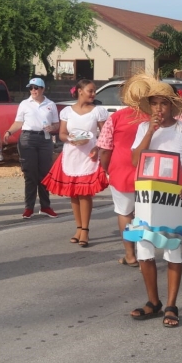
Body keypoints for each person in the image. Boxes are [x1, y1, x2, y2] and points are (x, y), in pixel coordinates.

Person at [129, 79, 182, 328]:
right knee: (145, 250)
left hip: (173, 196)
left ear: (172, 106)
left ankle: (171, 305)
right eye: (154, 104)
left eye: (163, 104)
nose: (159, 109)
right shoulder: (142, 129)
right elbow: (134, 160)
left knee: (172, 249)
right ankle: (153, 301)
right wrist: (150, 131)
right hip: (147, 195)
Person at [43, 80, 109, 247]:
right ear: (80, 91)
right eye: (90, 91)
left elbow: (105, 134)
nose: (93, 94)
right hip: (71, 154)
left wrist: (97, 147)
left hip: (89, 155)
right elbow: (62, 134)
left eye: (94, 91)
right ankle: (78, 228)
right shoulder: (67, 111)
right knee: (73, 192)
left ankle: (85, 230)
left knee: (84, 192)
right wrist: (71, 139)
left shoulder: (98, 111)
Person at [97, 75, 150, 267]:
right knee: (146, 215)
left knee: (125, 213)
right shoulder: (156, 117)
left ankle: (130, 254)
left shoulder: (116, 117)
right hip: (150, 172)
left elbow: (104, 148)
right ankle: (146, 254)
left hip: (121, 170)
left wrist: (106, 169)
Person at [3, 78, 60, 219]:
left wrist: (52, 128)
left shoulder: (50, 104)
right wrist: (9, 132)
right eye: (31, 88)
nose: (33, 90)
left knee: (44, 174)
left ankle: (45, 206)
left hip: (45, 138)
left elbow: (57, 124)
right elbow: (19, 122)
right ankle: (29, 207)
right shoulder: (24, 104)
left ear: (43, 89)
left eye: (36, 87)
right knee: (30, 174)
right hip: (28, 138)